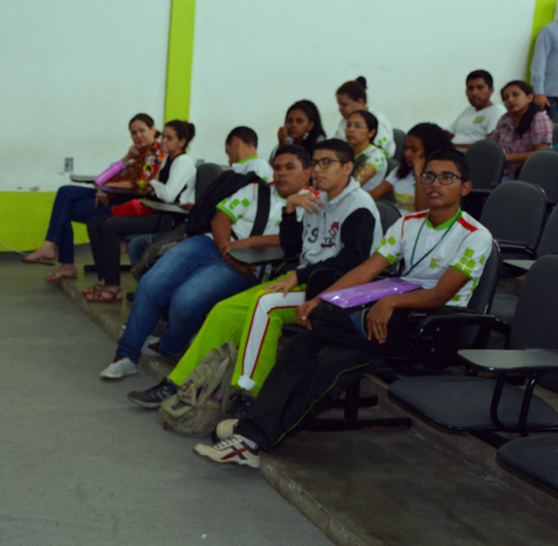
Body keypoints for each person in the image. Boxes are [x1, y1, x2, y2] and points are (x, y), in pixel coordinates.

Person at [192, 149, 492, 469]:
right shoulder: (409, 223)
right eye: (429, 176)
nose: (435, 183)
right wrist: (322, 299)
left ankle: (253, 436)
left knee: (330, 359)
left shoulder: (476, 236)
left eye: (447, 178)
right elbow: (367, 270)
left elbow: (441, 294)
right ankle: (253, 432)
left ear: (465, 188)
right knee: (300, 346)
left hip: (430, 327)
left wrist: (388, 302)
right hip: (389, 313)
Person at [127, 140, 382, 407]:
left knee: (266, 305)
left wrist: (298, 276)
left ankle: (249, 396)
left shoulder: (358, 206)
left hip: (335, 289)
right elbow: (294, 246)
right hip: (307, 281)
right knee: (224, 311)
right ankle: (176, 383)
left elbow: (353, 262)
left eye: (327, 162)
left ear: (348, 168)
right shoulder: (318, 199)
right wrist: (290, 209)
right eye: (316, 162)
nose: (319, 169)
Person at [99, 145, 309, 379]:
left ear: (307, 172)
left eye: (290, 168)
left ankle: (169, 345)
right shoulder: (256, 190)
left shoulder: (312, 203)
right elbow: (221, 218)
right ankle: (126, 355)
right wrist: (225, 249)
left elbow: (290, 239)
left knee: (186, 300)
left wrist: (242, 246)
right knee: (152, 282)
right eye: (277, 167)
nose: (281, 173)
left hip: (251, 266)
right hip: (211, 244)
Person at [84, 124, 260, 303]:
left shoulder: (183, 162)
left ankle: (116, 287)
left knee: (111, 226)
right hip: (159, 210)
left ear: (182, 142)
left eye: (169, 138)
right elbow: (158, 189)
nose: (163, 142)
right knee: (96, 223)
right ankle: (106, 280)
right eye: (163, 137)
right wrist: (155, 186)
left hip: (171, 217)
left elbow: (167, 194)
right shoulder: (167, 161)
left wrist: (154, 184)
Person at [25, 114, 164, 282]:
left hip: (123, 201)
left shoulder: (157, 153)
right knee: (64, 192)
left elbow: (142, 184)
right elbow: (102, 178)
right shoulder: (137, 153)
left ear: (153, 130)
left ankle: (63, 261)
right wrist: (127, 158)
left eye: (142, 131)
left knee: (64, 210)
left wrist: (107, 190)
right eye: (133, 133)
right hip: (111, 194)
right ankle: (50, 247)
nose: (138, 136)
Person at [371, 123, 454, 212]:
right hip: (399, 223)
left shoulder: (439, 179)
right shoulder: (402, 170)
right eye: (406, 148)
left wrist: (419, 177)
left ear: (430, 151)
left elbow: (422, 212)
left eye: (414, 150)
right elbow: (374, 194)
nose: (407, 154)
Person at [485, 80, 552, 180]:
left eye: (515, 95)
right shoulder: (505, 119)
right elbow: (494, 146)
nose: (510, 100)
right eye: (506, 98)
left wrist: (505, 157)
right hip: (501, 172)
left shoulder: (539, 118)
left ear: (529, 97)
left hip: (527, 174)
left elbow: (541, 154)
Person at [333, 77, 396, 158]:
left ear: (360, 102)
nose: (340, 109)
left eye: (344, 105)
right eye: (339, 105)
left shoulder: (379, 122)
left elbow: (376, 154)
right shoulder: (346, 119)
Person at [444, 70, 507, 149]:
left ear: (491, 91)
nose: (474, 93)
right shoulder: (468, 110)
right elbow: (448, 134)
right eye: (470, 88)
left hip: (473, 156)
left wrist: (452, 147)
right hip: (453, 152)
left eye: (480, 88)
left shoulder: (497, 111)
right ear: (466, 92)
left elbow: (490, 145)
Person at [345, 110, 388, 193]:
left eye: (358, 126)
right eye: (348, 125)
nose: (350, 129)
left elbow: (355, 183)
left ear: (371, 132)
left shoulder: (376, 155)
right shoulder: (345, 151)